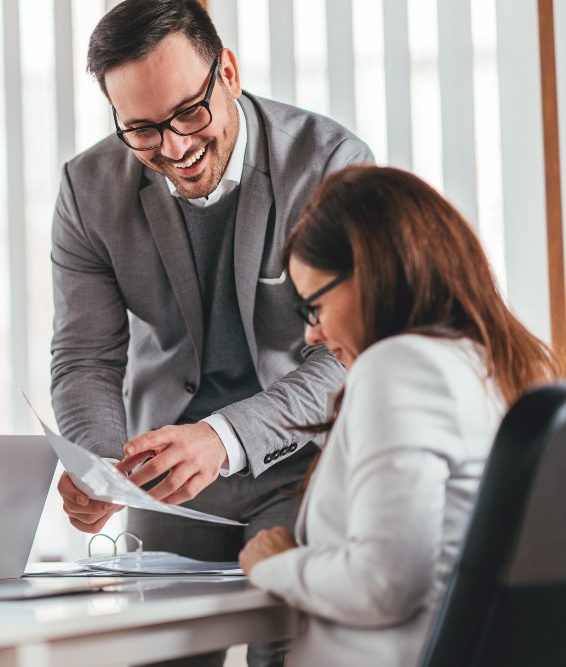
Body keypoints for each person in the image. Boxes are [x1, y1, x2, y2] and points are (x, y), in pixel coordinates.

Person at [51, 1, 370, 664]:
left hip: (302, 468)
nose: (173, 147)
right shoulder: (87, 189)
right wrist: (101, 464)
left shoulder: (329, 163)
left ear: (227, 71)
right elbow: (85, 357)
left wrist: (222, 438)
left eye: (189, 112)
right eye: (140, 129)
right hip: (166, 483)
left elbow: (351, 354)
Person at [238, 165, 563, 667]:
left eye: (314, 308)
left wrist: (280, 565)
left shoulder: (399, 365)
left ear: (372, 272)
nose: (311, 336)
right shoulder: (502, 365)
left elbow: (384, 584)